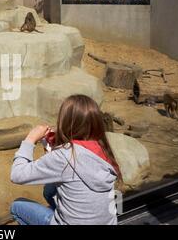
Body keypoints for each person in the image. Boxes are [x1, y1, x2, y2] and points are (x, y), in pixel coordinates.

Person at [10, 94, 121, 225]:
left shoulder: (64, 156)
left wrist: (30, 139)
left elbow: (17, 175)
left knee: (16, 207)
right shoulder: (102, 148)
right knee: (49, 190)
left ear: (65, 122)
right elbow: (70, 171)